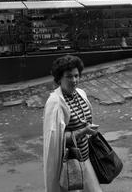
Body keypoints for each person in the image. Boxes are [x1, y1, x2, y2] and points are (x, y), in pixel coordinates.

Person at [43, 55, 102, 192]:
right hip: (70, 164)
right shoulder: (55, 103)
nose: (74, 80)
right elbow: (55, 140)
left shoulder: (81, 94)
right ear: (59, 79)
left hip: (85, 158)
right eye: (69, 77)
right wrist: (83, 132)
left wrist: (88, 130)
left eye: (76, 76)